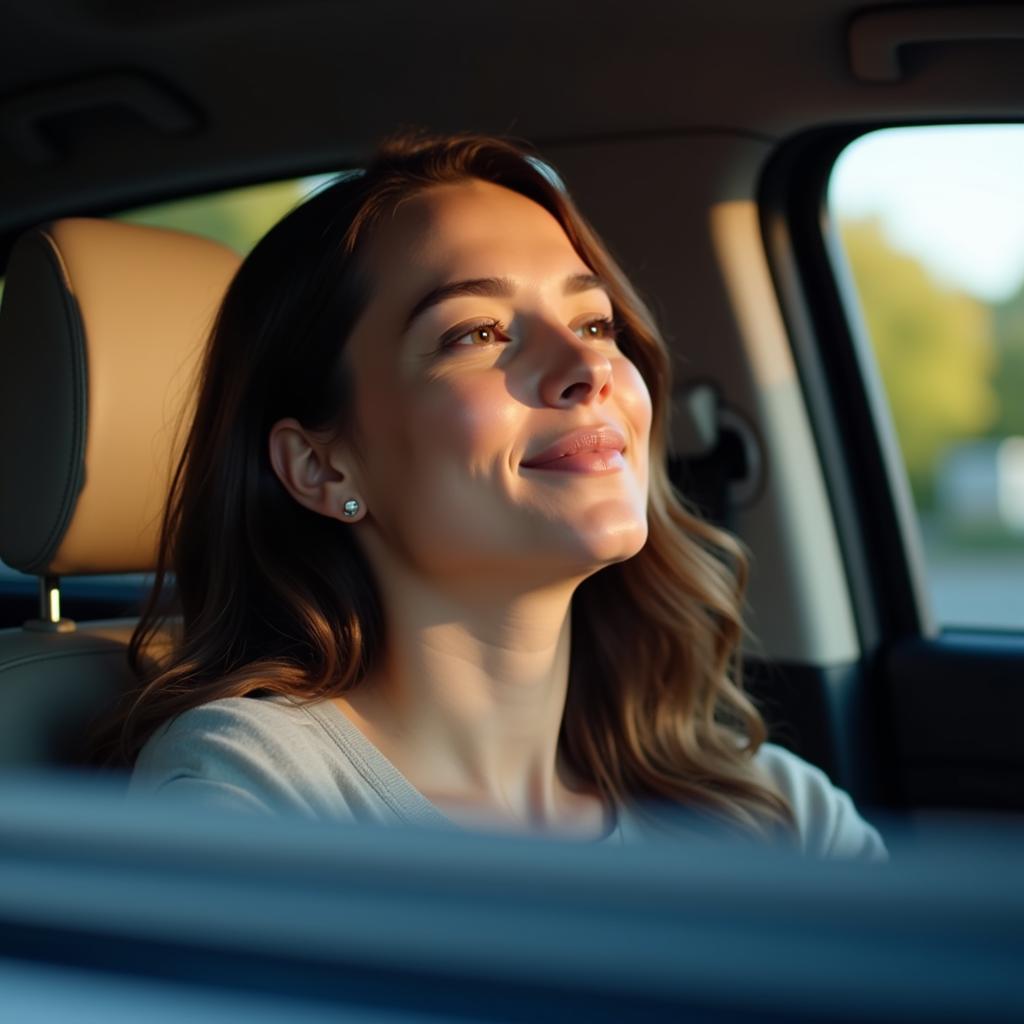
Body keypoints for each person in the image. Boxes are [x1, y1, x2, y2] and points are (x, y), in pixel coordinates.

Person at [123, 130, 884, 859]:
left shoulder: (768, 808)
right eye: (478, 333)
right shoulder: (256, 790)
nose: (588, 368)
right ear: (323, 467)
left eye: (594, 320)